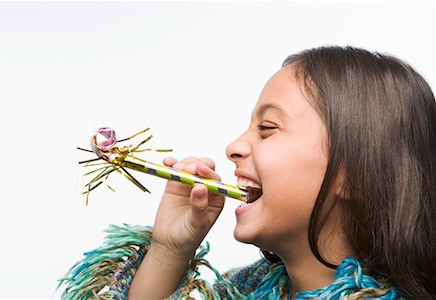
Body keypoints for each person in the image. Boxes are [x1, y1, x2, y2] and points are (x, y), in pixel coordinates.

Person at [60, 46, 436, 299]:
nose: (234, 147)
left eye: (267, 128)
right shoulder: (240, 290)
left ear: (352, 175)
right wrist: (169, 249)